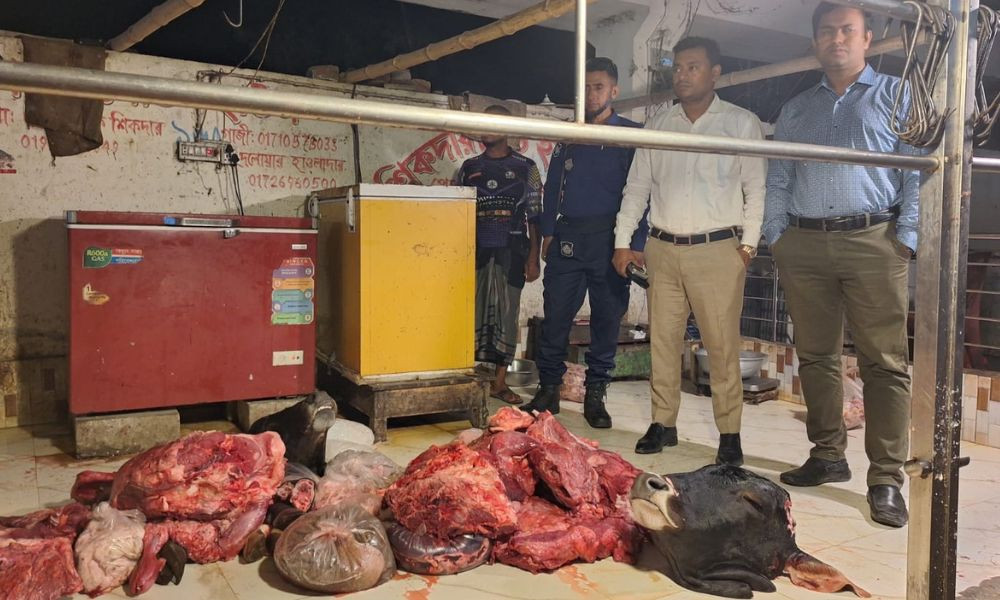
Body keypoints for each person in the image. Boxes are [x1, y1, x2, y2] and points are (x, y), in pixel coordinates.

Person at [763, 2, 919, 528]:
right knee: (816, 356)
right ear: (815, 42)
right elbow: (779, 174)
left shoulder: (897, 96)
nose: (837, 39)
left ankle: (886, 478)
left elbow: (917, 171)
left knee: (884, 362)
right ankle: (828, 454)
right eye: (827, 31)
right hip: (805, 243)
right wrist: (777, 235)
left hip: (874, 240)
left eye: (847, 30)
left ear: (867, 38)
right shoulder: (796, 108)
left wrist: (907, 239)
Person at [613, 36, 766, 465]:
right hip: (662, 248)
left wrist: (748, 246)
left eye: (692, 67)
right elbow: (637, 188)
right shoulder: (659, 125)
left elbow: (756, 189)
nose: (682, 75)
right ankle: (663, 423)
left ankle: (729, 433)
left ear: (715, 73)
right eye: (677, 67)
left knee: (721, 345)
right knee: (663, 341)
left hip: (718, 250)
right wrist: (623, 241)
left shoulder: (740, 123)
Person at [520, 57, 647, 428]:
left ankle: (596, 394)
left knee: (606, 320)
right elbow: (553, 186)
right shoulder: (570, 134)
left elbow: (643, 193)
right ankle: (548, 390)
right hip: (568, 237)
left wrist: (635, 243)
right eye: (586, 88)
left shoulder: (632, 135)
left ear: (614, 91)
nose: (592, 94)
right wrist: (549, 232)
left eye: (599, 87)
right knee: (555, 316)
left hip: (612, 239)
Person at [453, 105, 543, 404]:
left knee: (507, 313)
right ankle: (468, 380)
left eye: (492, 123)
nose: (485, 129)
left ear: (506, 128)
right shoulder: (468, 168)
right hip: (474, 252)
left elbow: (534, 216)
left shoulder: (526, 168)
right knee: (470, 313)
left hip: (512, 252)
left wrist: (533, 257)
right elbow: (456, 212)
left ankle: (499, 383)